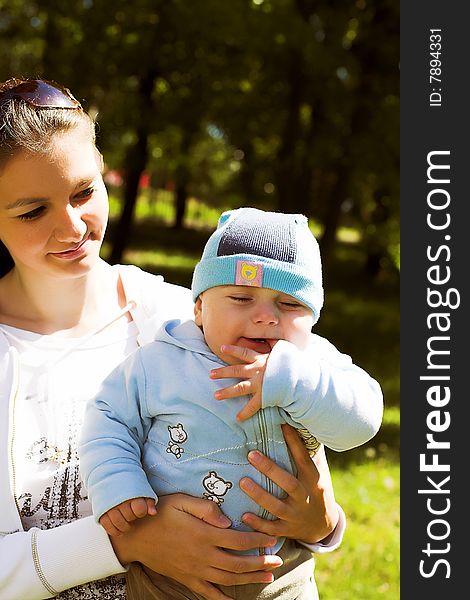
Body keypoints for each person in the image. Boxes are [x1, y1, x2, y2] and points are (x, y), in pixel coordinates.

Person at [0, 78, 346, 600]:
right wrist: (124, 543)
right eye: (32, 211)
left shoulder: (183, 315)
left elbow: (298, 428)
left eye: (84, 192)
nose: (72, 227)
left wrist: (322, 523)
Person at [79, 207, 383, 599]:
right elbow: (107, 418)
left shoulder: (314, 365)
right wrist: (119, 486)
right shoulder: (162, 362)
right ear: (199, 308)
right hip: (169, 575)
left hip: (281, 570)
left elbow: (363, 421)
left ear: (313, 317)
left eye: (289, 304)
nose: (266, 317)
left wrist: (292, 380)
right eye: (241, 297)